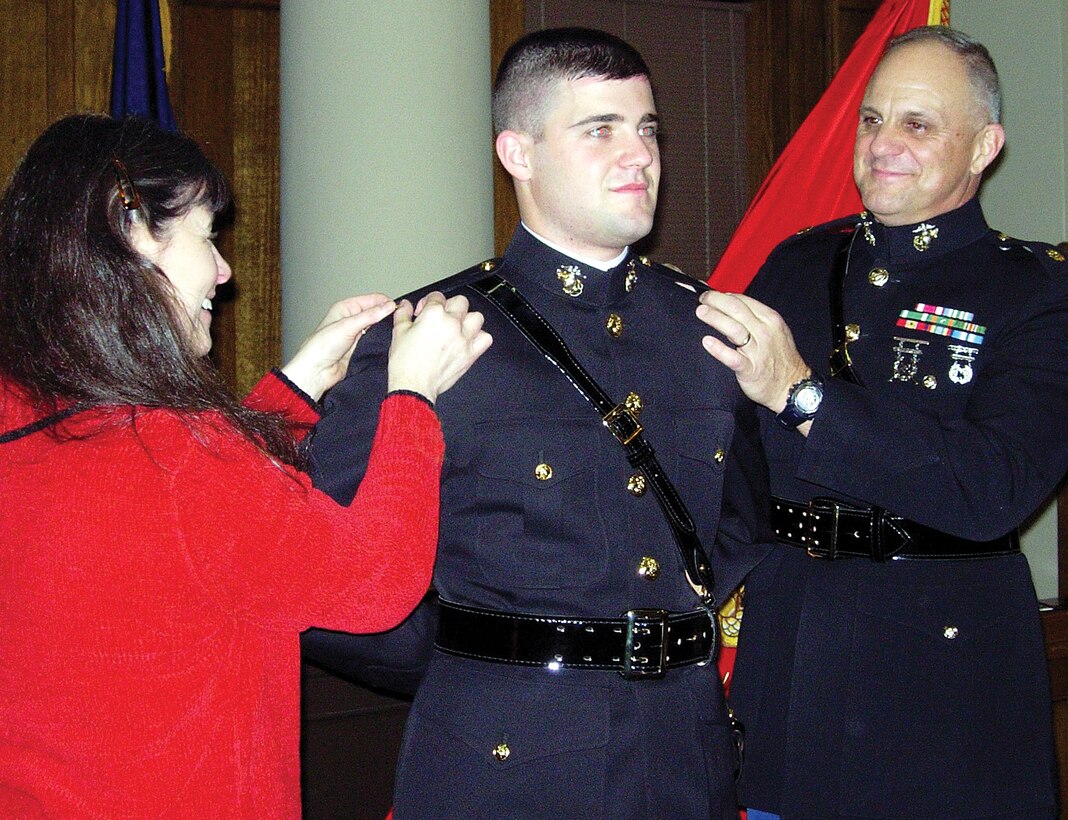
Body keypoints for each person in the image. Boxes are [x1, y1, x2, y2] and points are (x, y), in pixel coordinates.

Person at [303, 27, 771, 819]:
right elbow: (319, 566)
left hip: (681, 757)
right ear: (517, 153)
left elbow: (743, 521)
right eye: (601, 130)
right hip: (503, 760)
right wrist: (479, 660)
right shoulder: (426, 336)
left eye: (647, 129)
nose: (640, 157)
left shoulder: (710, 331)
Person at [0, 113, 490, 817]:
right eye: (206, 235)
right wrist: (414, 395)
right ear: (133, 232)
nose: (225, 272)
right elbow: (375, 584)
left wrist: (299, 385)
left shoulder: (43, 422)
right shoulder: (176, 454)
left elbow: (207, 539)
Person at [698, 26, 1068, 819]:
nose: (883, 144)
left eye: (918, 124)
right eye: (872, 120)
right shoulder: (798, 263)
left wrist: (806, 398)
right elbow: (728, 463)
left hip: (941, 682)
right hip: (792, 662)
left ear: (984, 146)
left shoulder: (1034, 293)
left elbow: (993, 486)